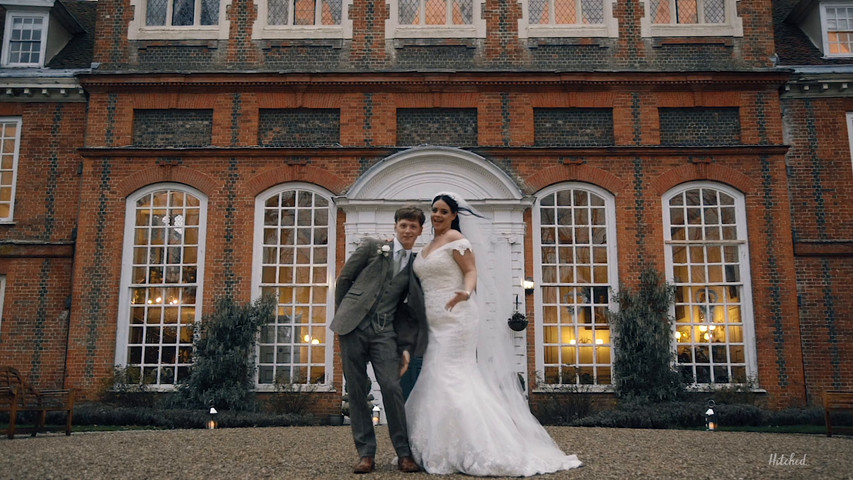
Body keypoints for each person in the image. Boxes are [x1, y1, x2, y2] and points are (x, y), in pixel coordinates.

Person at [405, 192, 583, 476]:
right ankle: (435, 446)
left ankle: (477, 446)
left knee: (449, 375)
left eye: (442, 211)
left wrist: (465, 291)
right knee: (434, 374)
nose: (437, 215)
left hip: (457, 316)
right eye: (434, 210)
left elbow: (471, 271)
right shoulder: (429, 245)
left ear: (454, 215)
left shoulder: (457, 240)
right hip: (433, 320)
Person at [330, 205, 428, 474]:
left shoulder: (416, 265)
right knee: (358, 391)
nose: (407, 230)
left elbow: (409, 312)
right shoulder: (373, 247)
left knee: (391, 387)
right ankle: (366, 454)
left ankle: (404, 453)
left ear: (420, 230)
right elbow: (345, 279)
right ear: (395, 227)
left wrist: (406, 348)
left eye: (413, 226)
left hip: (384, 333)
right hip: (352, 329)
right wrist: (344, 318)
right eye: (403, 225)